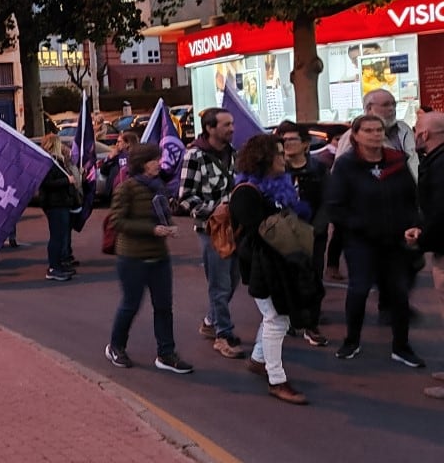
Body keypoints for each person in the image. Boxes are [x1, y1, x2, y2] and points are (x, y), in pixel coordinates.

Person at [327, 114, 423, 367]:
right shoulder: (346, 166)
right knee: (358, 291)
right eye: (368, 130)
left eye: (379, 130)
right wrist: (359, 226)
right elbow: (335, 207)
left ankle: (401, 347)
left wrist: (413, 224)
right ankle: (351, 340)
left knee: (399, 294)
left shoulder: (397, 162)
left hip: (394, 243)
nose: (375, 135)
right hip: (361, 242)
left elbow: (410, 199)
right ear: (356, 135)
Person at [230, 134, 316, 405]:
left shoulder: (283, 184)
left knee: (276, 316)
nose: (285, 158)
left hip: (281, 262)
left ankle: (258, 359)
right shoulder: (246, 191)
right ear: (263, 159)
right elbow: (256, 233)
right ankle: (277, 380)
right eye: (279, 154)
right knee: (276, 318)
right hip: (261, 265)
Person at [105, 143, 193, 375]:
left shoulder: (159, 186)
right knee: (130, 305)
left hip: (159, 257)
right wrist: (151, 230)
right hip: (132, 257)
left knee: (164, 306)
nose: (159, 164)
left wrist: (170, 227)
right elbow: (117, 221)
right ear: (143, 163)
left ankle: (166, 353)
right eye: (155, 160)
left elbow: (162, 214)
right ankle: (116, 347)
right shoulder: (127, 188)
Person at [179, 107, 244, 359]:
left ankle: (210, 321)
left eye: (232, 124)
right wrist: (216, 210)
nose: (232, 128)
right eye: (226, 125)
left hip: (236, 227)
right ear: (210, 128)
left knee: (233, 279)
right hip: (211, 229)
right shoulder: (195, 155)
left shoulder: (233, 153)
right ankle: (223, 334)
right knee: (219, 283)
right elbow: (184, 197)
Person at [274, 121, 330, 346]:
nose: (287, 144)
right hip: (284, 234)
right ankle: (289, 319)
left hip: (313, 232)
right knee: (285, 277)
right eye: (283, 140)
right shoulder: (276, 170)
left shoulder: (318, 169)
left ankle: (311, 324)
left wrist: (317, 227)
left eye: (292, 140)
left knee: (313, 277)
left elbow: (328, 201)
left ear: (305, 144)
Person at [412, 112, 444, 398]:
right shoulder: (433, 161)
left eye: (418, 128)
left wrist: (422, 238)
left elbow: (440, 212)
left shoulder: (439, 164)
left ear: (426, 135)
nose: (415, 132)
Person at [38, 134, 79, 282]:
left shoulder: (57, 161)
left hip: (61, 202)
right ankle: (53, 267)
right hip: (54, 204)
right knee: (56, 236)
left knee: (61, 236)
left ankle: (59, 264)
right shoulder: (48, 162)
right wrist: (66, 181)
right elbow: (46, 183)